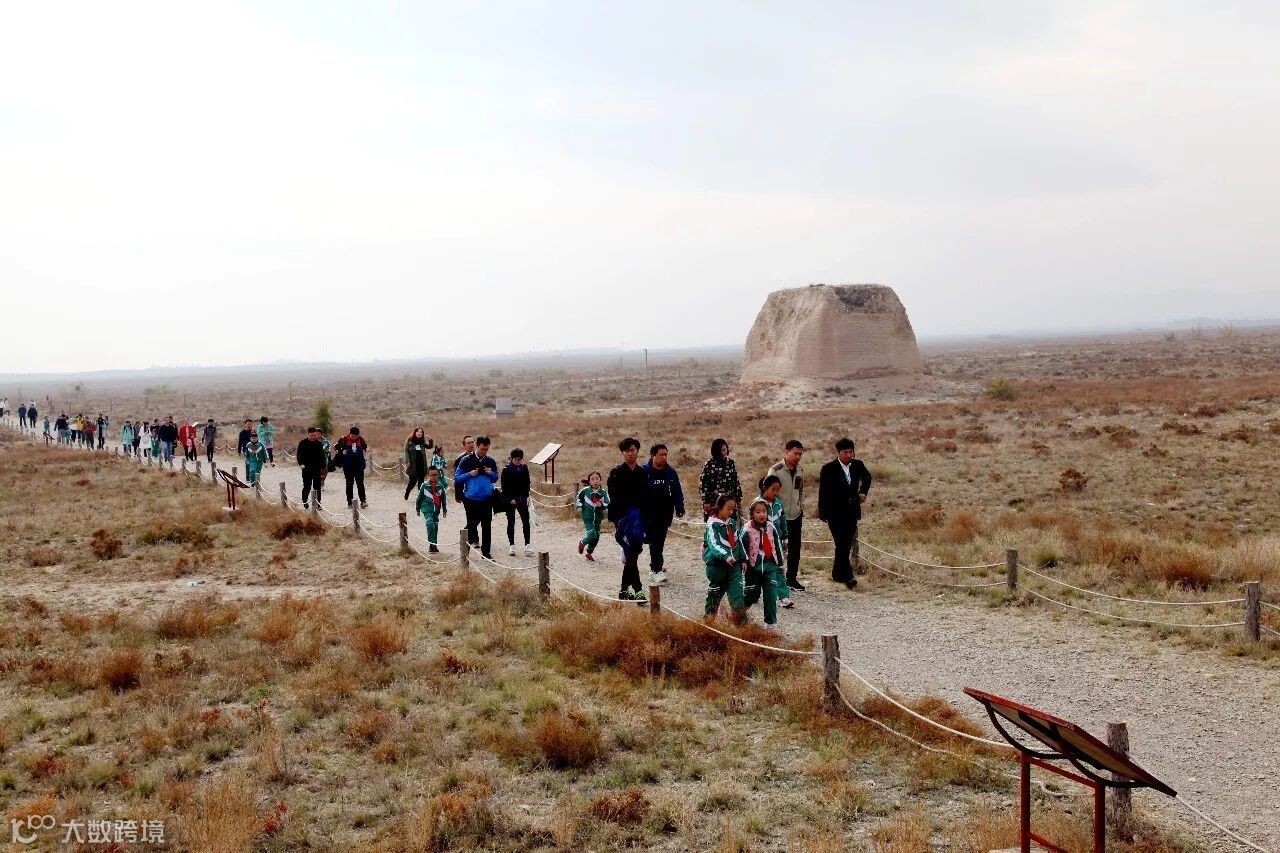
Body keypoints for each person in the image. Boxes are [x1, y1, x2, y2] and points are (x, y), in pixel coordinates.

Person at [817, 437, 872, 589]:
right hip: (834, 513)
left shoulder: (858, 465)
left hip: (852, 511)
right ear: (838, 453)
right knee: (841, 543)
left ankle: (837, 574)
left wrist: (863, 491)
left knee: (845, 544)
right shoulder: (829, 468)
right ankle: (848, 576)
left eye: (851, 452)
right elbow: (823, 492)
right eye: (845, 452)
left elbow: (867, 477)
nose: (848, 455)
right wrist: (822, 512)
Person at [606, 437, 648, 603]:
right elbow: (614, 497)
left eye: (633, 450)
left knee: (633, 553)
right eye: (627, 451)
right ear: (622, 453)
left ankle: (624, 590)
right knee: (630, 552)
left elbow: (646, 497)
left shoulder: (643, 473)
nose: (630, 453)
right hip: (622, 519)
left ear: (637, 451)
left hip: (639, 519)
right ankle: (638, 590)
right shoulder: (616, 473)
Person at [641, 442, 685, 586]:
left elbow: (677, 490)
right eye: (661, 455)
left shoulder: (670, 472)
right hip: (648, 513)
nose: (664, 457)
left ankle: (656, 569)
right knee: (653, 540)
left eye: (666, 455)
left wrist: (679, 507)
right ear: (653, 455)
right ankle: (656, 569)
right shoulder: (644, 471)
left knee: (658, 541)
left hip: (665, 513)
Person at [767, 440, 807, 591]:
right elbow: (769, 493)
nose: (797, 457)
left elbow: (800, 490)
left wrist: (800, 507)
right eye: (795, 453)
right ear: (787, 452)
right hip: (779, 516)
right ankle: (774, 579)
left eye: (800, 454)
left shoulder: (800, 470)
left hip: (795, 515)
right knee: (776, 548)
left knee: (795, 549)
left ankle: (792, 579)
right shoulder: (775, 470)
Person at [743, 497, 787, 626]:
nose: (762, 514)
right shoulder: (747, 529)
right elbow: (743, 549)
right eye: (758, 512)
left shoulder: (771, 527)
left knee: (771, 595)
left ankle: (770, 624)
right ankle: (739, 614)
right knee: (751, 595)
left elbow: (777, 545)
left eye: (764, 511)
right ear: (752, 514)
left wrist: (780, 563)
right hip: (753, 568)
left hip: (769, 566)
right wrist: (743, 563)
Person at [703, 495, 747, 621]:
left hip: (734, 566)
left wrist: (743, 559)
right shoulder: (712, 525)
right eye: (728, 509)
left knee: (738, 595)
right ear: (720, 507)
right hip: (717, 566)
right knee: (714, 595)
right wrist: (726, 556)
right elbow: (714, 544)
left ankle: (742, 625)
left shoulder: (732, 523)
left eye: (733, 509)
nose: (731, 512)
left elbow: (739, 542)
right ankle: (709, 622)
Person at [456, 436, 499, 560]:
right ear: (477, 446)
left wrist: (490, 473)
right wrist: (469, 474)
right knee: (471, 526)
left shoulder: (491, 461)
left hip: (487, 499)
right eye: (482, 449)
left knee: (487, 527)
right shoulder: (465, 460)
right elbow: (457, 478)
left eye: (486, 449)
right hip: (471, 499)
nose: (484, 451)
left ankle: (486, 554)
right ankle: (465, 553)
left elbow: (495, 478)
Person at [699, 438, 742, 520]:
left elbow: (735, 482)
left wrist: (738, 498)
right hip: (714, 502)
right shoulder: (708, 465)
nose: (723, 453)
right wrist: (706, 501)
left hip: (729, 501)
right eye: (720, 451)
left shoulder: (730, 463)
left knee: (730, 524)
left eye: (724, 450)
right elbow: (703, 484)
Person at [501, 448, 533, 556]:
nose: (518, 461)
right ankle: (512, 545)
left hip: (522, 498)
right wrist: (510, 499)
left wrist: (527, 496)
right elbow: (504, 487)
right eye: (516, 459)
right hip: (510, 499)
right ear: (512, 458)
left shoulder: (524, 468)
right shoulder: (506, 469)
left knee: (526, 521)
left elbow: (527, 483)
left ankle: (527, 544)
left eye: (520, 459)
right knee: (511, 521)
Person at [574, 472, 609, 561]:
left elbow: (607, 502)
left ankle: (589, 553)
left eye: (597, 478)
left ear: (600, 480)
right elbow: (578, 498)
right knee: (592, 534)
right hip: (588, 517)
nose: (595, 481)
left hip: (598, 518)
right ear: (589, 481)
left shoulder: (603, 492)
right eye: (592, 479)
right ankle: (582, 542)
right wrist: (579, 507)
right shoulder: (585, 491)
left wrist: (601, 504)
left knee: (596, 537)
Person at [415, 466, 449, 552]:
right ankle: (431, 544)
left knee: (435, 527)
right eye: (432, 475)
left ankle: (434, 545)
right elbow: (419, 498)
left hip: (436, 509)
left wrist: (444, 509)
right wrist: (418, 509)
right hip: (426, 508)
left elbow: (443, 499)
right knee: (430, 524)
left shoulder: (440, 486)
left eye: (436, 474)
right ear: (428, 475)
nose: (434, 476)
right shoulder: (424, 485)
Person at [334, 426, 369, 508]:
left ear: (358, 435)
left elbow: (364, 447)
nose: (354, 438)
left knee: (360, 484)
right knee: (349, 484)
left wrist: (363, 450)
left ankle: (363, 501)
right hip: (348, 466)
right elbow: (335, 447)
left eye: (356, 436)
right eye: (352, 436)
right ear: (350, 433)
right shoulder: (343, 439)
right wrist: (342, 451)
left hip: (359, 465)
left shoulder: (361, 439)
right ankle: (350, 502)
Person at [296, 426, 328, 509]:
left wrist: (324, 467)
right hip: (306, 468)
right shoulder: (302, 443)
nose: (313, 437)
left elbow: (322, 456)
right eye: (311, 435)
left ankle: (318, 503)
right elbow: (299, 455)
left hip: (316, 468)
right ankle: (305, 500)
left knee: (317, 486)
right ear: (308, 434)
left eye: (314, 435)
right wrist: (301, 464)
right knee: (307, 485)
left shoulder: (319, 444)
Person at [403, 428, 433, 501]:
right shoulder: (410, 440)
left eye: (421, 432)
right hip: (413, 465)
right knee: (412, 481)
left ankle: (420, 497)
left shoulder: (422, 441)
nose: (420, 433)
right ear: (415, 432)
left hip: (421, 464)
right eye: (418, 431)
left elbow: (429, 447)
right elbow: (406, 451)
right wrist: (408, 461)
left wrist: (430, 440)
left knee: (421, 482)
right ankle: (407, 492)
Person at [452, 435, 475, 504]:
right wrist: (458, 495)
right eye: (468, 443)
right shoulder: (460, 459)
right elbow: (457, 478)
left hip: (479, 491)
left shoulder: (480, 457)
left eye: (472, 442)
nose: (471, 444)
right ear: (464, 446)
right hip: (466, 492)